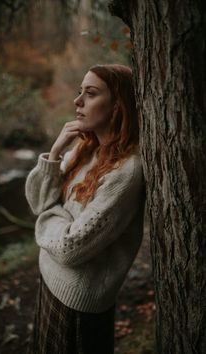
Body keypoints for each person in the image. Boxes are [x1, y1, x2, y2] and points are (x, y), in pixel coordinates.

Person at [25, 63, 146, 354]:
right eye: (79, 92)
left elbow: (69, 248)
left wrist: (47, 220)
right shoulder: (86, 147)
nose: (77, 101)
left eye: (90, 93)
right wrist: (54, 154)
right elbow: (39, 202)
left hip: (78, 305)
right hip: (50, 285)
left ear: (118, 105)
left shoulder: (126, 172)